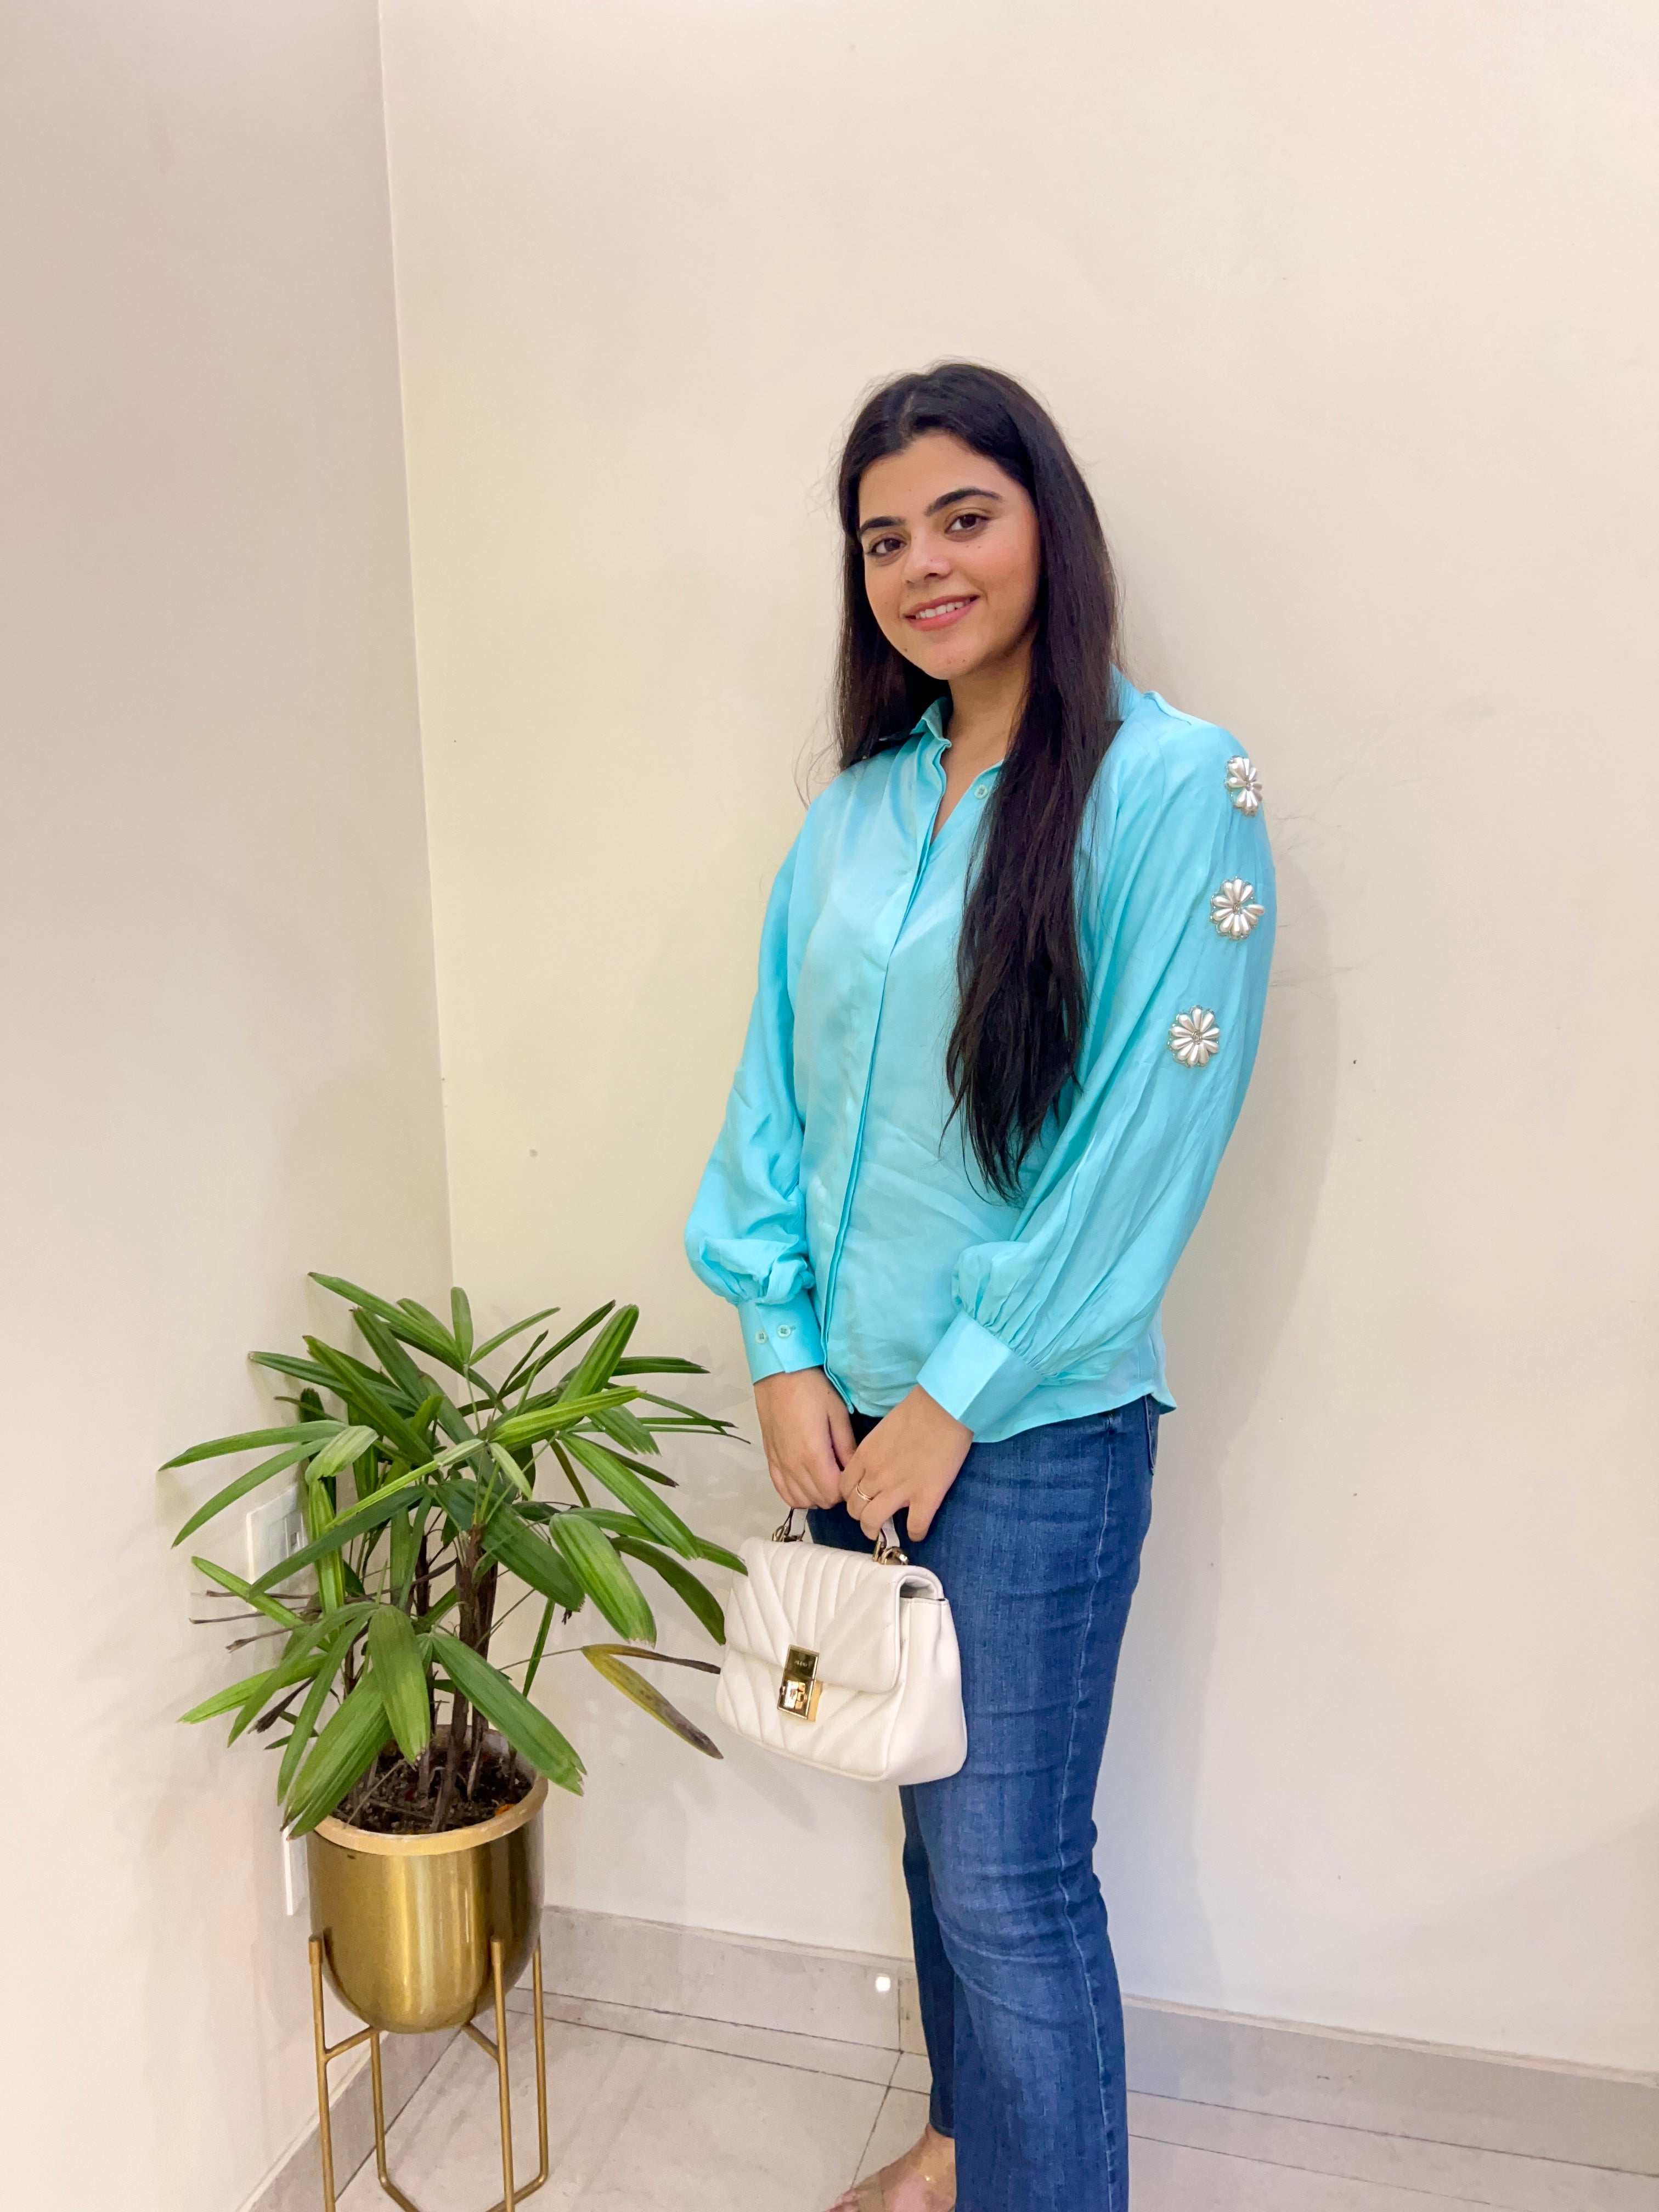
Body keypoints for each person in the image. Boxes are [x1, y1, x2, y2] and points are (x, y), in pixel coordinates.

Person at [684, 362, 1274, 2212]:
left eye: (964, 517)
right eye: (885, 540)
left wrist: (952, 1395)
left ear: (1047, 527)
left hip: (1028, 1428)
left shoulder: (1171, 786)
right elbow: (771, 1095)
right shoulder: (855, 815)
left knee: (1012, 1884)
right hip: (847, 1418)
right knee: (933, 1841)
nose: (924, 566)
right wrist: (785, 1350)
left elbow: (1145, 1142)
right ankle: (961, 2152)